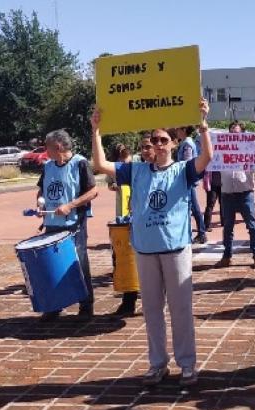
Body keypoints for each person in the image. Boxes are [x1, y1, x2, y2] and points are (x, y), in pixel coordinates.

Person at [90, 99, 211, 387]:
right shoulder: (136, 170)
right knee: (152, 311)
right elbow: (100, 164)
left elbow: (207, 158)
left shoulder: (183, 169)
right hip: (145, 250)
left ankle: (187, 365)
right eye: (153, 140)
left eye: (163, 139)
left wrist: (203, 125)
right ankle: (157, 364)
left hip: (176, 250)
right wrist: (96, 130)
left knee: (181, 310)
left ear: (172, 143)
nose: (157, 144)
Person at [36, 129, 98, 322]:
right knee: (52, 264)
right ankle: (55, 305)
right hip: (52, 223)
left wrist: (70, 205)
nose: (46, 151)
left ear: (58, 146)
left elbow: (94, 191)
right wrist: (40, 203)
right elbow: (41, 190)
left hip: (73, 224)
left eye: (48, 147)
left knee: (77, 262)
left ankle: (86, 305)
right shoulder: (47, 166)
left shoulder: (80, 163)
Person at [214, 121, 255, 269]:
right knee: (227, 227)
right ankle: (227, 256)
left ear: (243, 135)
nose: (234, 136)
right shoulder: (221, 151)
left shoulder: (250, 150)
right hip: (227, 194)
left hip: (245, 194)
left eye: (237, 133)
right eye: (231, 133)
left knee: (252, 226)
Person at [106, 142, 141, 317]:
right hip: (127, 214)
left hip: (151, 222)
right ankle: (129, 300)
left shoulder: (143, 166)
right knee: (129, 256)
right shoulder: (128, 168)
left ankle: (156, 298)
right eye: (145, 147)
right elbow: (102, 167)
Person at [175, 126, 207, 244]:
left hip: (186, 179)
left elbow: (186, 162)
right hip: (187, 178)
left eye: (178, 130)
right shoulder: (185, 143)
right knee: (192, 206)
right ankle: (201, 232)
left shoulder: (187, 144)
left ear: (183, 130)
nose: (176, 132)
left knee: (192, 206)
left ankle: (200, 233)